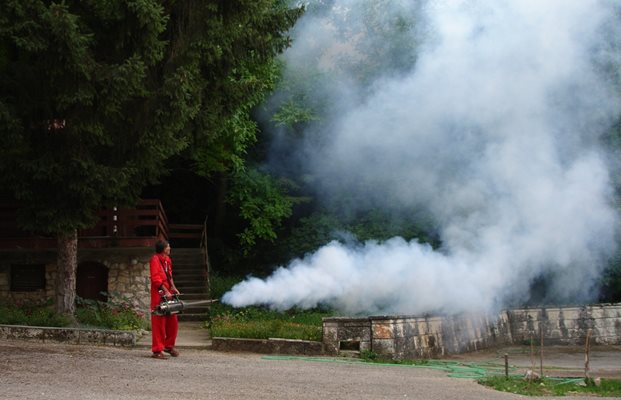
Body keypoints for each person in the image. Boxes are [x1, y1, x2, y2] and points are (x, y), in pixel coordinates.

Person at [149, 239, 180, 359]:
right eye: (168, 246)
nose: (170, 248)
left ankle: (168, 346)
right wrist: (166, 291)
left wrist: (173, 288)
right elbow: (156, 278)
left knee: (173, 321)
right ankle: (157, 350)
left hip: (168, 293)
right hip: (159, 294)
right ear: (163, 248)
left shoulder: (167, 260)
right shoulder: (155, 259)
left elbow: (169, 276)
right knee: (159, 322)